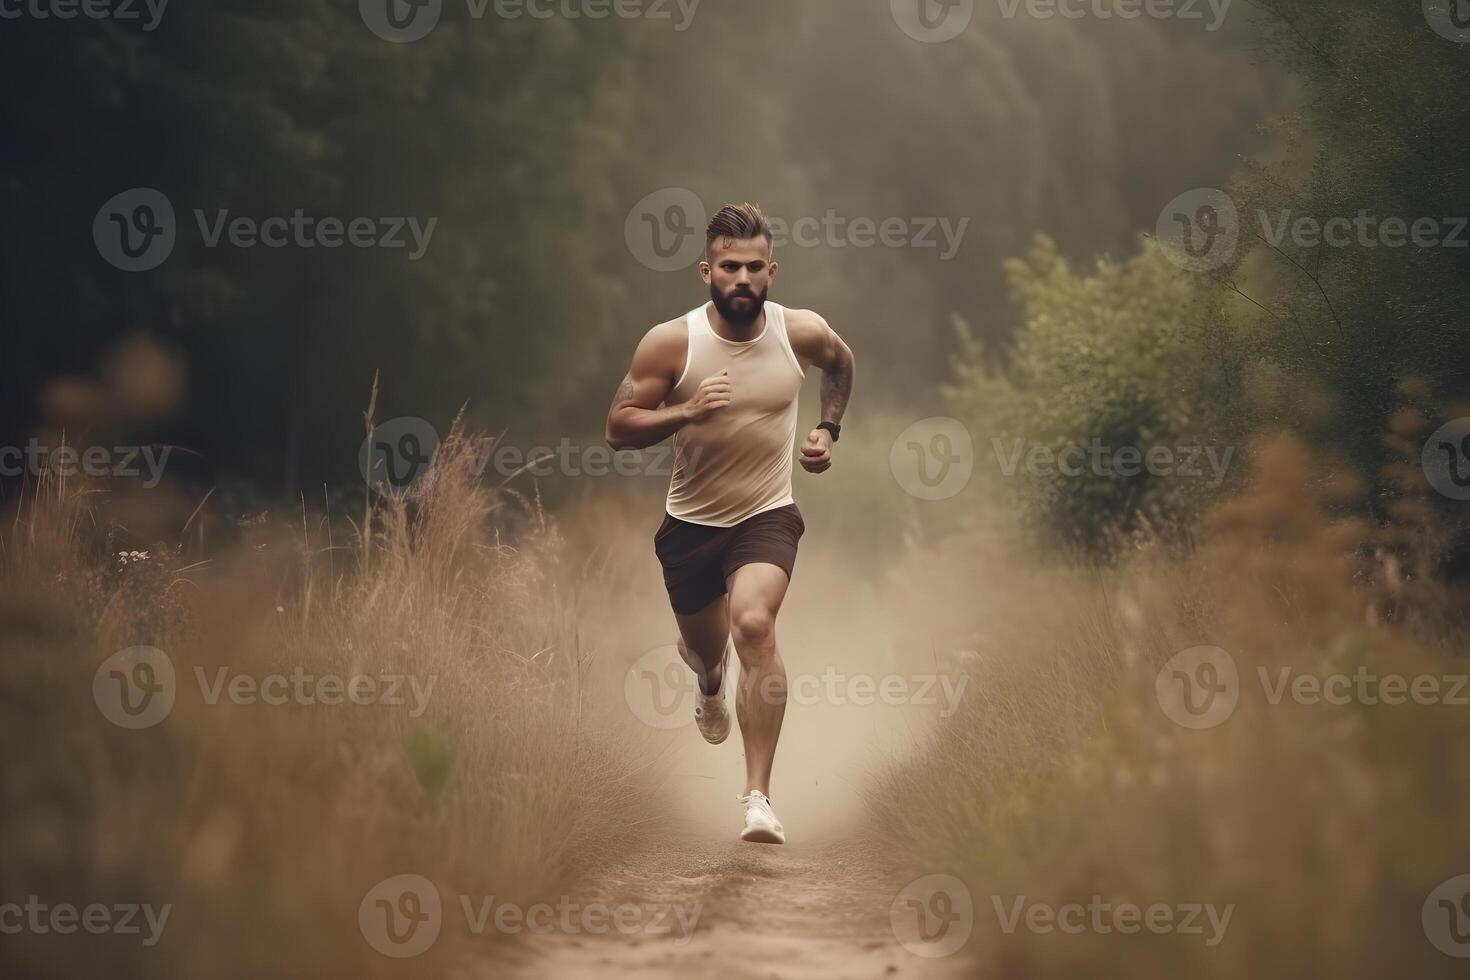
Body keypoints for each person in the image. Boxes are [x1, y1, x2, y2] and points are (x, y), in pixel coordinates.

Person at [605, 202, 855, 844]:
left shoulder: (798, 331)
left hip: (766, 515)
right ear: (705, 271)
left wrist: (828, 428)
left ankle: (758, 798)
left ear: (771, 271)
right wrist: (685, 410)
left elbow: (841, 362)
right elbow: (618, 428)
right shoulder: (671, 343)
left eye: (752, 268)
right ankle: (711, 683)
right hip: (689, 525)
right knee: (705, 652)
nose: (740, 279)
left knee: (754, 622)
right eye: (727, 268)